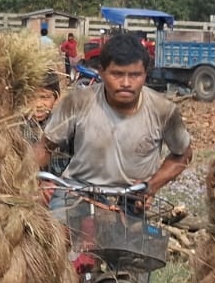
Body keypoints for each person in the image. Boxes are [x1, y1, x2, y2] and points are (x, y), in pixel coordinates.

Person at [34, 32, 192, 196]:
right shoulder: (78, 101)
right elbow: (45, 147)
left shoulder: (163, 110)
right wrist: (37, 180)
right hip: (76, 194)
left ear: (146, 73)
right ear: (101, 72)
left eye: (135, 75)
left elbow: (184, 154)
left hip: (130, 199)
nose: (126, 83)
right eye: (117, 74)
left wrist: (152, 184)